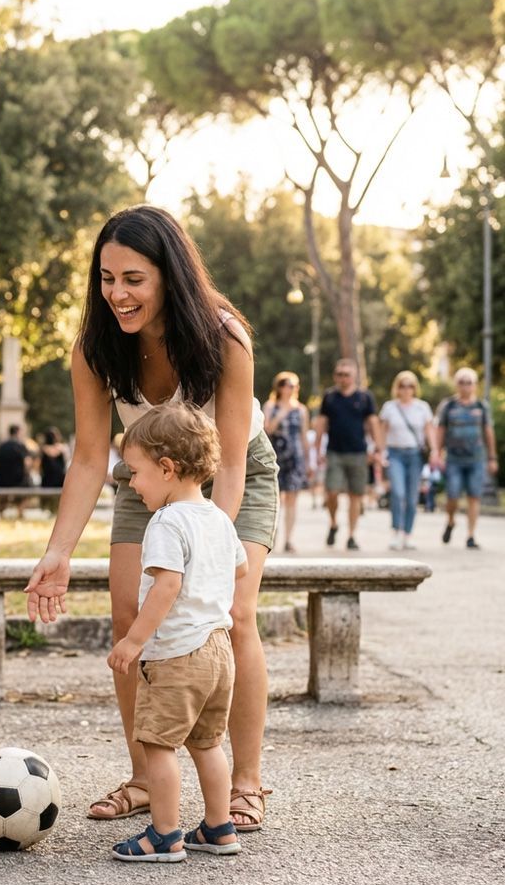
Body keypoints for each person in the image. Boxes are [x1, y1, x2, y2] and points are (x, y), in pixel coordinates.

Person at [24, 205, 278, 832]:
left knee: (232, 614)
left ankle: (244, 782)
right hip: (144, 476)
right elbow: (87, 458)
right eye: (107, 278)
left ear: (169, 275)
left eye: (133, 279)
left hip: (228, 474)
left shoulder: (224, 338)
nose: (117, 293)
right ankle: (147, 777)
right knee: (129, 615)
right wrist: (58, 551)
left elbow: (234, 457)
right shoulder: (95, 347)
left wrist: (211, 549)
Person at [108, 403, 247, 863]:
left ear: (167, 469)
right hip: (218, 648)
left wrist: (133, 640)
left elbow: (167, 586)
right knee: (208, 744)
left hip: (177, 654)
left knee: (158, 744)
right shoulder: (218, 519)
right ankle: (218, 827)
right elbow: (240, 569)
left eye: (136, 472)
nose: (131, 484)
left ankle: (164, 835)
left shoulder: (167, 522)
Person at [314, 359, 379, 551]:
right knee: (332, 492)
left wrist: (377, 448)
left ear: (354, 376)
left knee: (355, 496)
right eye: (339, 374)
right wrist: (317, 449)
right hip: (334, 452)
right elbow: (321, 423)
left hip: (358, 452)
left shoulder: (365, 397)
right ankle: (334, 523)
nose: (343, 378)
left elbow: (373, 423)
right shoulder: (330, 397)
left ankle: (351, 535)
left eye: (346, 374)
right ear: (336, 376)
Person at [433, 367, 498, 549]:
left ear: (474, 385)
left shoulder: (481, 407)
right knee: (452, 495)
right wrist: (436, 452)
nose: (465, 386)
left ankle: (470, 535)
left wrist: (492, 457)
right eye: (461, 382)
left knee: (474, 496)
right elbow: (440, 430)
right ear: (456, 385)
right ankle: (451, 521)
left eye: (468, 382)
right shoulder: (449, 406)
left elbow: (488, 432)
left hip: (477, 458)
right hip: (454, 458)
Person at [376, 370, 435, 550]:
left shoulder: (422, 407)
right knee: (398, 493)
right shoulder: (390, 407)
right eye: (402, 385)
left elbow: (429, 431)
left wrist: (434, 451)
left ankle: (408, 534)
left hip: (415, 455)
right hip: (395, 454)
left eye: (410, 386)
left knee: (412, 497)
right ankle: (396, 531)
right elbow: (382, 431)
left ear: (414, 388)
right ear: (397, 388)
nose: (406, 389)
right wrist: (380, 452)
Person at [263, 371, 310, 553]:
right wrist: (282, 412)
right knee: (275, 499)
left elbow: (304, 436)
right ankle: (272, 537)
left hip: (295, 457)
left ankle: (289, 539)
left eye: (292, 385)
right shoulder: (270, 406)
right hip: (276, 456)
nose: (288, 388)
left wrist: (308, 461)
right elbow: (268, 430)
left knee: (292, 499)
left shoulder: (301, 409)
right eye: (285, 384)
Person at [0, 424, 34, 518]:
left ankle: (1, 514)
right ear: (17, 432)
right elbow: (27, 462)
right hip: (18, 480)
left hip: (2, 480)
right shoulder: (21, 446)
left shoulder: (2, 446)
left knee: (3, 496)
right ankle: (20, 512)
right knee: (29, 487)